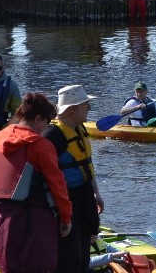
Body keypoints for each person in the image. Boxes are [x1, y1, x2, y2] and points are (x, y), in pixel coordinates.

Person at [0, 93, 72, 273]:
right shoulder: (40, 145)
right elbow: (58, 185)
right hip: (34, 220)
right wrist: (66, 217)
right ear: (38, 119)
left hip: (1, 218)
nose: (47, 127)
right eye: (48, 122)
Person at [43, 85, 103, 273]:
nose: (89, 109)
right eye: (86, 105)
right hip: (65, 201)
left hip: (84, 196)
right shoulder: (52, 135)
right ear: (72, 109)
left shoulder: (80, 128)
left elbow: (87, 164)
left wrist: (96, 193)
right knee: (70, 258)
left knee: (83, 256)